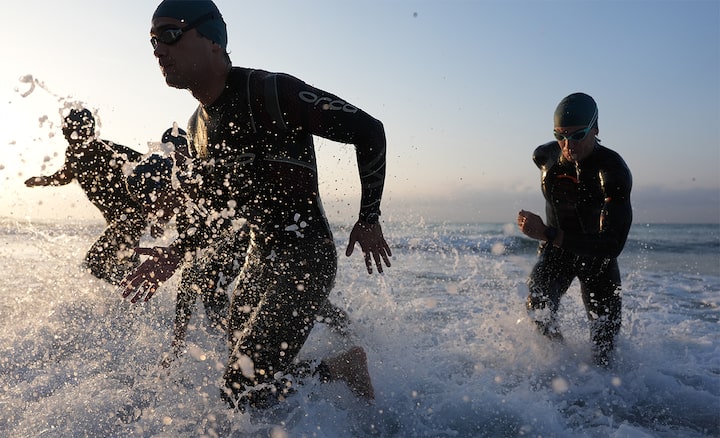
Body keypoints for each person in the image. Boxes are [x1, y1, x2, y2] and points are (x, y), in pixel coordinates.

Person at [120, 0, 390, 409]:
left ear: (214, 40)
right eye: (152, 40)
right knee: (245, 381)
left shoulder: (270, 91)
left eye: (170, 34)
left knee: (237, 391)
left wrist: (368, 218)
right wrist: (176, 252)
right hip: (258, 258)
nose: (159, 49)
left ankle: (341, 371)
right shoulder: (195, 129)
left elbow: (369, 130)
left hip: (305, 257)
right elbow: (221, 213)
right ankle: (337, 373)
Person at [126, 128, 349, 365]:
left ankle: (334, 349)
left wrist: (178, 343)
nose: (148, 213)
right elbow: (189, 274)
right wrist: (177, 343)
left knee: (220, 289)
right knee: (230, 296)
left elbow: (194, 270)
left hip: (295, 244)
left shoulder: (206, 179)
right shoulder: (190, 204)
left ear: (163, 188)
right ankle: (264, 353)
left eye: (147, 203)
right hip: (267, 248)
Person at [517, 92, 633, 367]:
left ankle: (601, 393)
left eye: (578, 135)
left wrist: (546, 233)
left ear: (595, 129)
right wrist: (548, 236)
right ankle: (563, 366)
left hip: (597, 258)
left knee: (605, 350)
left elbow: (612, 244)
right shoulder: (544, 157)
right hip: (556, 252)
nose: (568, 145)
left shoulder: (613, 171)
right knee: (538, 310)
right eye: (560, 135)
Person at [24, 108, 147, 285]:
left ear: (86, 129)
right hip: (115, 221)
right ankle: (135, 302)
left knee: (94, 263)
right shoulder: (73, 154)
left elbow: (148, 164)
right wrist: (43, 180)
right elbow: (65, 176)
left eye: (69, 130)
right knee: (125, 267)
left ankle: (129, 296)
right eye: (64, 130)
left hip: (131, 218)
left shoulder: (108, 151)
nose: (65, 134)